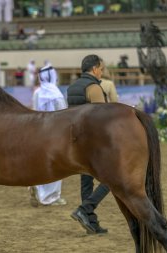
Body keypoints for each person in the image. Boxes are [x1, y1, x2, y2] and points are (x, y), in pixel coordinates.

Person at [67, 54, 109, 234]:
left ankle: (90, 222)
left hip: (78, 142)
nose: (102, 72)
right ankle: (85, 209)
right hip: (93, 142)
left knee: (86, 182)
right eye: (101, 69)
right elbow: (101, 118)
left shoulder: (72, 87)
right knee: (111, 179)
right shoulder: (93, 87)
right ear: (94, 69)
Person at [29, 65, 67, 207]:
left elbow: (33, 111)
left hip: (38, 132)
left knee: (40, 163)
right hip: (54, 134)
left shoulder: (37, 92)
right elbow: (63, 114)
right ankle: (51, 197)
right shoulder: (56, 93)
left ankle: (38, 189)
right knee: (56, 165)